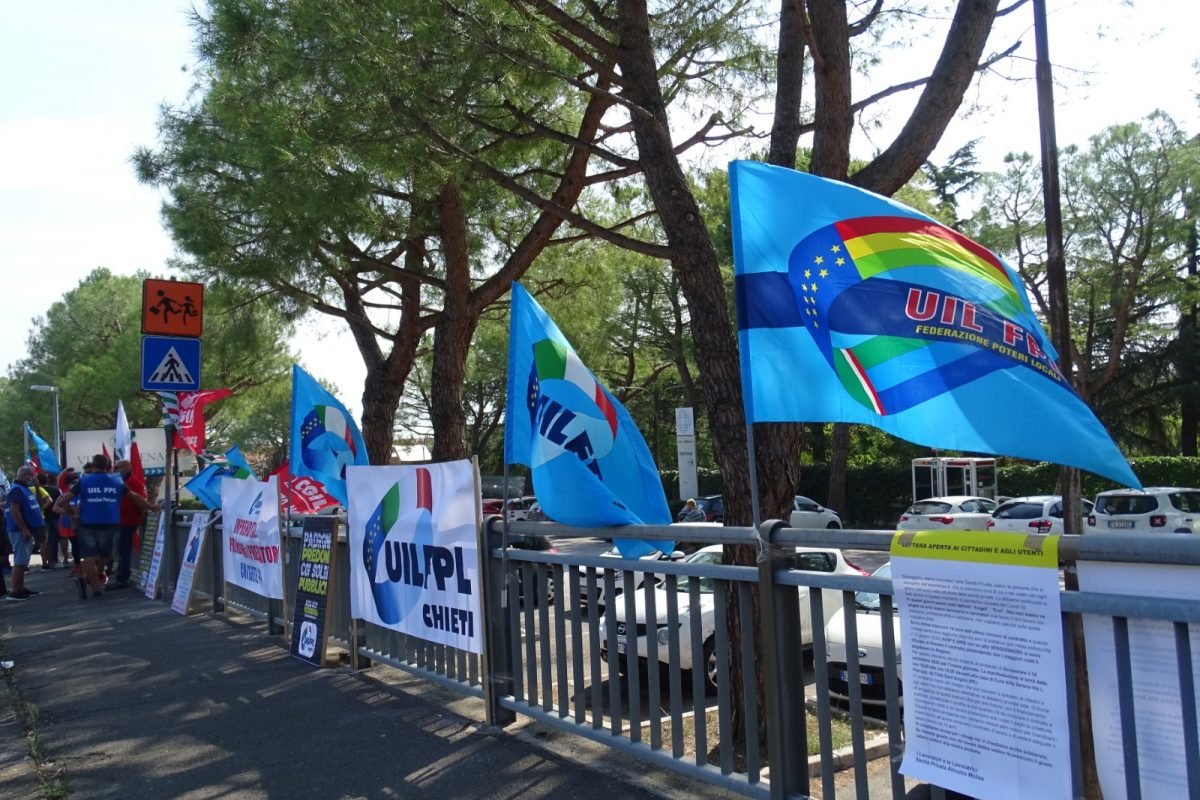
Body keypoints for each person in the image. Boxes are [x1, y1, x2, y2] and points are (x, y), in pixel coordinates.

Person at [54, 454, 155, 600]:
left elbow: (64, 500)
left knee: (89, 557)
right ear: (108, 466)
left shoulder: (84, 481)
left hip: (87, 523)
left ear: (93, 466)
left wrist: (72, 516)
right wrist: (151, 506)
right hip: (108, 523)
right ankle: (92, 583)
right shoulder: (116, 480)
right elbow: (134, 496)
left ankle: (94, 587)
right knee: (106, 556)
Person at [5, 466, 46, 601]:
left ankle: (21, 587)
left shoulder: (24, 489)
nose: (33, 479)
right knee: (20, 560)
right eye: (31, 476)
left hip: (27, 529)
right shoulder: (17, 489)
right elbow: (14, 509)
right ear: (25, 475)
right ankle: (15, 590)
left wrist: (37, 487)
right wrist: (23, 528)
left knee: (23, 561)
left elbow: (38, 504)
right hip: (20, 530)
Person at [110, 459, 147, 590]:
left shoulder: (133, 482)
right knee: (121, 549)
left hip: (128, 521)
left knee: (124, 550)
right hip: (120, 520)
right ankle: (122, 576)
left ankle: (122, 578)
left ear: (126, 467)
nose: (115, 470)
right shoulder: (121, 482)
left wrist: (142, 515)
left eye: (117, 467)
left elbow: (140, 500)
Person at [35, 472, 60, 569]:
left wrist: (41, 509)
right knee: (56, 539)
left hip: (43, 518)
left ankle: (47, 562)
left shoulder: (37, 489)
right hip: (56, 517)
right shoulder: (55, 490)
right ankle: (54, 560)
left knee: (45, 541)